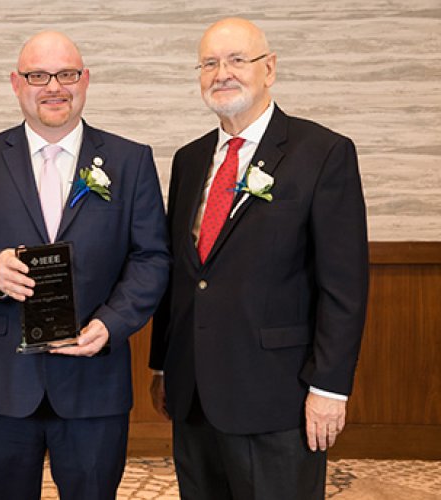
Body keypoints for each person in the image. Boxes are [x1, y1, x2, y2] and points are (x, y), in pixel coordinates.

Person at [0, 31, 169, 499]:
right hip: (2, 382)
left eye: (66, 74)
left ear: (85, 80)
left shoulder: (130, 160)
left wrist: (113, 323)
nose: (53, 87)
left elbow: (153, 257)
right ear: (16, 84)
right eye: (38, 75)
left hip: (94, 379)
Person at [149, 18, 369, 500]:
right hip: (194, 396)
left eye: (236, 60)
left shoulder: (322, 153)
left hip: (278, 396)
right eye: (209, 63)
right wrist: (164, 366)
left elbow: (344, 287)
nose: (221, 73)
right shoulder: (189, 159)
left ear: (269, 69)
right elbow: (183, 273)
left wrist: (330, 388)